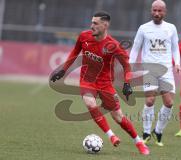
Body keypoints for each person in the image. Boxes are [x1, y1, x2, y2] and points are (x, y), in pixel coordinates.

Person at [50, 11, 149, 155]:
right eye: (91, 22)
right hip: (87, 81)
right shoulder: (84, 36)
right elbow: (74, 52)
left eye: (95, 23)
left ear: (105, 25)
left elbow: (126, 65)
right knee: (90, 103)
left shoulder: (113, 45)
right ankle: (111, 136)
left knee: (118, 117)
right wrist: (63, 70)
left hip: (105, 83)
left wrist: (127, 83)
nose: (92, 26)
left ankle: (139, 142)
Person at [129, 0, 181, 147]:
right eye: (154, 10)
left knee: (169, 103)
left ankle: (158, 131)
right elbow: (135, 48)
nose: (157, 13)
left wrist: (177, 63)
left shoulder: (171, 28)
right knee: (150, 101)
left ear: (165, 12)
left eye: (160, 11)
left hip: (166, 71)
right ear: (151, 11)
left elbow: (176, 48)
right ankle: (146, 133)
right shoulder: (143, 28)